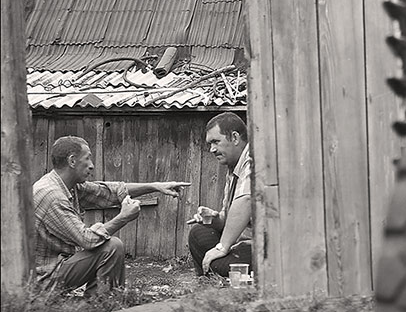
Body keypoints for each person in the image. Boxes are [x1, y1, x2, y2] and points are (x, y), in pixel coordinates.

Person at [33, 135, 190, 297]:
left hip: (57, 268)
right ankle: (101, 306)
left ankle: (96, 303)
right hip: (43, 281)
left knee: (109, 246)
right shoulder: (51, 195)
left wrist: (155, 186)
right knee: (111, 247)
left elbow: (108, 192)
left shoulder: (68, 186)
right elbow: (87, 240)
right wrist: (123, 217)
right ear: (72, 161)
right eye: (87, 159)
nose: (92, 166)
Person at [187, 112, 252, 278]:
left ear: (235, 138)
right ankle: (210, 281)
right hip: (242, 242)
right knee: (198, 232)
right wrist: (214, 218)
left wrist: (222, 247)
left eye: (216, 142)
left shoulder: (253, 159)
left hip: (267, 245)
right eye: (210, 144)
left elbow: (246, 200)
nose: (212, 149)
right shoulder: (232, 168)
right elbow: (228, 217)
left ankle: (219, 283)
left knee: (220, 263)